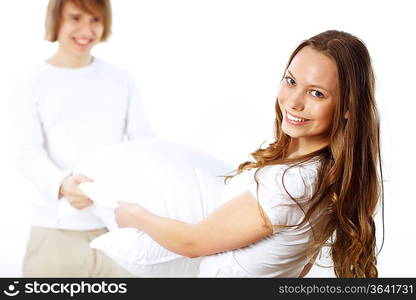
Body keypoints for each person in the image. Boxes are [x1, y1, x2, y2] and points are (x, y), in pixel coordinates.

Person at [115, 30, 384, 278]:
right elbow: (298, 267)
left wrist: (135, 216)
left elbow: (191, 242)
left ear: (348, 107)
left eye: (316, 93)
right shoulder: (326, 174)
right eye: (291, 81)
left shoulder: (291, 184)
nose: (294, 102)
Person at [12, 0, 155, 277]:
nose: (86, 30)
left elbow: (144, 144)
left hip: (116, 230)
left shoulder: (121, 79)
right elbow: (27, 153)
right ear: (56, 21)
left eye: (95, 20)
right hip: (55, 232)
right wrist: (63, 184)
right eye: (75, 18)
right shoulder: (31, 82)